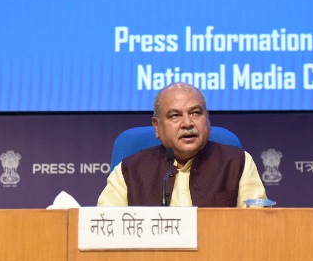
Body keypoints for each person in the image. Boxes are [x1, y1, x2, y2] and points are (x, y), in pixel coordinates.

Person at [98, 82, 267, 207]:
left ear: (207, 119)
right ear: (157, 127)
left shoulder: (237, 162)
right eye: (175, 116)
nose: (187, 123)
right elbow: (105, 228)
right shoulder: (129, 169)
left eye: (195, 113)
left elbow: (257, 225)